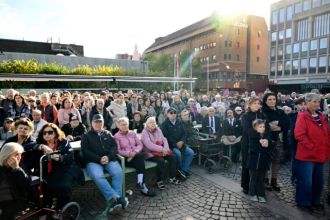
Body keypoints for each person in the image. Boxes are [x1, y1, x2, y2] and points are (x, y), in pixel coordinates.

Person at [81, 114, 128, 213]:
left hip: (109, 159)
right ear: (92, 123)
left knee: (118, 172)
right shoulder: (86, 135)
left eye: (100, 122)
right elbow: (85, 151)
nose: (98, 124)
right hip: (94, 162)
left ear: (103, 123)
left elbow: (114, 147)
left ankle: (115, 204)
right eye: (96, 122)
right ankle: (116, 198)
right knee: (97, 176)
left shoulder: (108, 133)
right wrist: (99, 159)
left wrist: (108, 157)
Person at [36, 123, 84, 219]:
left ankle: (59, 209)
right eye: (44, 133)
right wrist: (41, 147)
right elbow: (28, 146)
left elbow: (70, 157)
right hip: (47, 171)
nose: (47, 135)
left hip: (63, 169)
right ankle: (45, 211)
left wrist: (60, 157)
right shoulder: (40, 143)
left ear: (55, 133)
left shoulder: (63, 142)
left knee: (65, 187)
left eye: (50, 132)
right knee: (43, 188)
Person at [295, 93, 330, 213]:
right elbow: (299, 134)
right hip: (307, 154)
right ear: (307, 102)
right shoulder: (303, 115)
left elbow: (326, 133)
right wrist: (311, 146)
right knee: (306, 180)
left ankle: (315, 200)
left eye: (318, 101)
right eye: (314, 101)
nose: (317, 104)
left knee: (319, 180)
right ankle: (304, 201)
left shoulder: (321, 116)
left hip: (320, 153)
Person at [114, 117, 155, 196]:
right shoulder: (116, 136)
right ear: (119, 126)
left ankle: (140, 183)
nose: (125, 126)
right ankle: (142, 186)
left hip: (135, 156)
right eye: (123, 125)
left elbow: (140, 144)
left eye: (126, 124)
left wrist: (134, 152)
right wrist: (129, 154)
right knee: (140, 160)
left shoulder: (132, 133)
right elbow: (118, 151)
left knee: (139, 158)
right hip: (126, 159)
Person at [240, 97, 271, 195]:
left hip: (262, 144)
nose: (257, 105)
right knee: (247, 164)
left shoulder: (263, 115)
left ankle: (259, 188)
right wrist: (259, 138)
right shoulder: (246, 115)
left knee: (260, 166)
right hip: (248, 143)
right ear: (250, 104)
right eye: (254, 103)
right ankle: (246, 185)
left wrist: (266, 139)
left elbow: (268, 128)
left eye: (258, 103)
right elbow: (247, 129)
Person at [141, 117, 180, 190]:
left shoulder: (158, 130)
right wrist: (162, 149)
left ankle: (172, 177)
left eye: (154, 122)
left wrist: (166, 149)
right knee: (160, 161)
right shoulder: (145, 132)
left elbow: (164, 139)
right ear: (147, 124)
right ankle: (159, 181)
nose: (153, 123)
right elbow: (149, 145)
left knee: (173, 157)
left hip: (161, 151)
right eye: (150, 122)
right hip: (150, 153)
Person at [262, 92, 289, 191]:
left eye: (274, 99)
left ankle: (274, 180)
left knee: (276, 160)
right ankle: (265, 180)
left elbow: (287, 123)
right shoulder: (262, 112)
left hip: (279, 138)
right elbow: (264, 125)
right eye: (270, 99)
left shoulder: (280, 111)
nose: (272, 101)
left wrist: (278, 123)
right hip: (267, 139)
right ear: (265, 101)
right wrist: (272, 126)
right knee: (266, 160)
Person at [0, 142, 31, 220]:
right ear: (6, 155)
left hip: (12, 199)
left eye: (20, 154)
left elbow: (26, 183)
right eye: (16, 154)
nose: (19, 157)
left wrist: (16, 169)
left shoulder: (19, 165)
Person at [161, 107, 194, 179]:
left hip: (181, 144)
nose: (173, 114)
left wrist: (182, 141)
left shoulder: (179, 122)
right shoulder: (164, 124)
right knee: (178, 154)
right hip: (171, 145)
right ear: (167, 114)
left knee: (191, 153)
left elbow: (184, 133)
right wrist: (175, 143)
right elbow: (166, 136)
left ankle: (184, 170)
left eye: (174, 113)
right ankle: (179, 170)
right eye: (171, 113)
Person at [247, 120, 271, 203]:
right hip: (254, 162)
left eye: (263, 127)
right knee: (253, 178)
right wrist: (262, 145)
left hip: (263, 161)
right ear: (255, 127)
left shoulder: (266, 137)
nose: (262, 128)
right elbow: (254, 148)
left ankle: (261, 194)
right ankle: (252, 193)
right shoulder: (252, 137)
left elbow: (269, 148)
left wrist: (267, 144)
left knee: (261, 179)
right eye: (260, 127)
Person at [288, 97, 305, 185]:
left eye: (304, 104)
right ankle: (294, 177)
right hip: (295, 141)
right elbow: (294, 127)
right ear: (295, 106)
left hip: (304, 142)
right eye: (300, 104)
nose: (302, 106)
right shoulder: (292, 115)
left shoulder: (308, 115)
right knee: (295, 160)